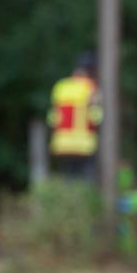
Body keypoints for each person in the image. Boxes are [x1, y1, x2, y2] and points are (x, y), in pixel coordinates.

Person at [47, 52, 102, 181]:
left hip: (62, 144)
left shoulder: (61, 86)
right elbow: (96, 117)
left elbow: (52, 118)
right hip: (84, 145)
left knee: (68, 180)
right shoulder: (91, 88)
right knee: (85, 181)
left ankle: (70, 201)